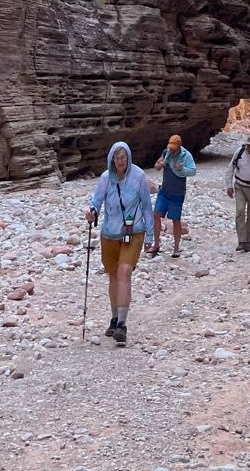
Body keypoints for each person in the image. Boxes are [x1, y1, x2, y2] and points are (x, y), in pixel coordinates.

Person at [85, 140, 154, 346]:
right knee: (113, 276)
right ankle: (114, 319)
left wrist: (150, 236)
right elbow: (96, 201)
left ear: (129, 158)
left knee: (124, 272)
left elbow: (147, 206)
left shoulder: (139, 177)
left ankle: (122, 325)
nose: (121, 161)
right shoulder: (106, 178)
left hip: (134, 232)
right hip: (110, 234)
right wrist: (92, 212)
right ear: (112, 159)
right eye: (117, 158)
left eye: (124, 158)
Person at [148, 133, 196, 259]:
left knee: (176, 220)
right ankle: (156, 244)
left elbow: (193, 171)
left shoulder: (186, 156)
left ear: (179, 146)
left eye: (174, 148)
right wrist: (160, 165)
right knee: (156, 214)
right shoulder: (166, 153)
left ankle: (176, 248)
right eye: (170, 147)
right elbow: (156, 166)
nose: (172, 150)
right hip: (164, 191)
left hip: (177, 193)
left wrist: (182, 169)